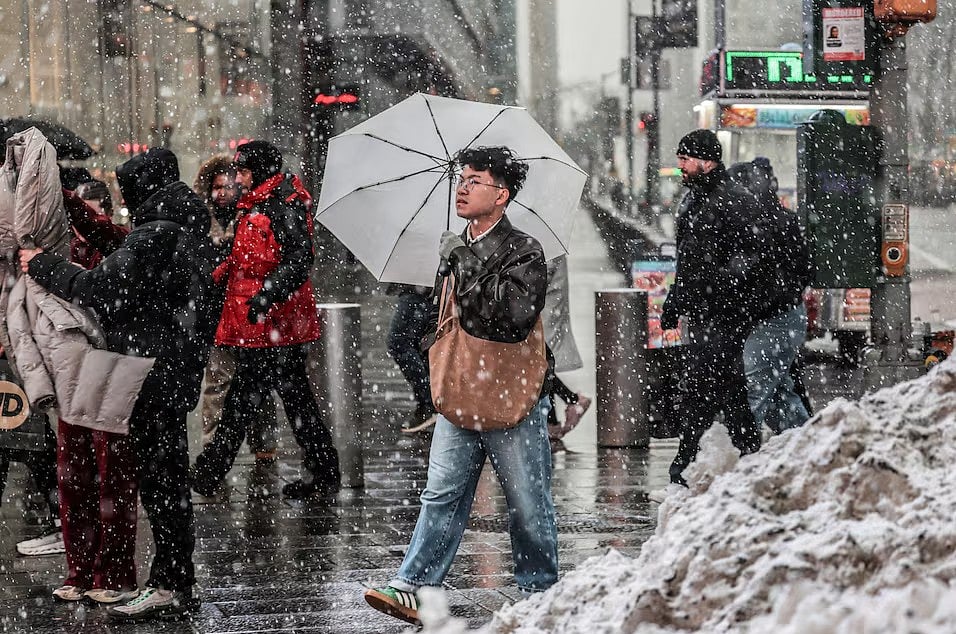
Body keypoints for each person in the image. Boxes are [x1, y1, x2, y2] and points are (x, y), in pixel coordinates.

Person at [19, 148, 219, 620]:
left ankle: (169, 583)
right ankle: (175, 579)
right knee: (166, 479)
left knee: (161, 484)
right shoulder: (181, 227)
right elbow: (126, 251)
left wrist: (40, 264)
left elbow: (100, 287)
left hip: (148, 373)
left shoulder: (157, 235)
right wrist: (76, 210)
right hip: (173, 370)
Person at [364, 146, 557, 625]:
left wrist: (463, 262)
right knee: (441, 493)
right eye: (462, 178)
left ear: (502, 195)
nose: (464, 187)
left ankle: (541, 590)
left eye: (476, 180)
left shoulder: (525, 249)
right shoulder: (454, 248)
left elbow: (510, 318)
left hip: (509, 392)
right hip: (459, 390)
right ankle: (414, 585)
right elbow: (446, 316)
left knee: (527, 500)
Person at [191, 140, 340, 500]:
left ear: (259, 171)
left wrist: (266, 295)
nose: (238, 178)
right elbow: (248, 258)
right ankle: (324, 472)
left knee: (247, 399)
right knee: (287, 398)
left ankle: (210, 470)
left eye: (243, 171)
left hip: (275, 325)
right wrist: (220, 274)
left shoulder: (281, 206)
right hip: (263, 323)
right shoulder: (257, 204)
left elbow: (299, 260)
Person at [659, 130, 766, 488]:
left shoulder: (732, 199)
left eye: (686, 159)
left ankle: (685, 464)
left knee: (704, 386)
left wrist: (721, 281)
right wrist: (677, 300)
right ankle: (749, 454)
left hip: (725, 311)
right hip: (705, 310)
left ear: (708, 160)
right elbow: (688, 262)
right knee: (727, 388)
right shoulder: (694, 200)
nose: (681, 166)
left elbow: (753, 255)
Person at [193, 156, 280, 468]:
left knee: (258, 385)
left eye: (228, 186)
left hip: (252, 318)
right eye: (216, 187)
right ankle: (210, 448)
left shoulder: (253, 218)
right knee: (217, 385)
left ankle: (264, 448)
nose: (222, 193)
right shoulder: (202, 225)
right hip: (220, 320)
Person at [728, 158, 813, 432]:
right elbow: (802, 269)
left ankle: (739, 455)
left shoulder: (759, 225)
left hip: (773, 319)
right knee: (779, 394)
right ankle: (807, 442)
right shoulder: (779, 220)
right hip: (780, 316)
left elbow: (786, 272)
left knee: (754, 392)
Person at [543, 255, 591, 442]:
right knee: (542, 365)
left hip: (544, 308)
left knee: (541, 364)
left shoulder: (543, 243)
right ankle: (554, 420)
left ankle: (567, 406)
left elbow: (542, 271)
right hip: (543, 306)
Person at [386, 283, 438, 432]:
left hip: (417, 289)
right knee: (420, 344)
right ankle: (430, 402)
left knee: (398, 341)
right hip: (420, 288)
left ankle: (429, 403)